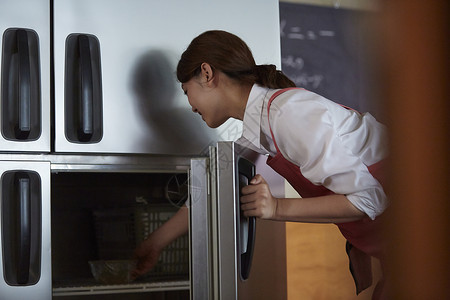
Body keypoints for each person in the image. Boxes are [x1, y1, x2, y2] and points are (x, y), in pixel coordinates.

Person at [132, 30, 389, 299]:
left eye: (187, 91)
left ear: (207, 74)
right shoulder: (257, 129)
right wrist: (156, 242)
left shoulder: (287, 114)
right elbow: (207, 190)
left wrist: (276, 207)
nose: (191, 106)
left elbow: (369, 199)